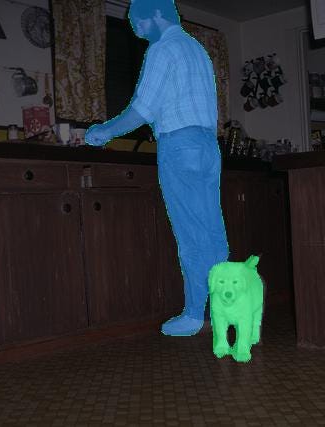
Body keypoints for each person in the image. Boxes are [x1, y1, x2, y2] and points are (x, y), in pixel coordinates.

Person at [85, 0, 229, 336]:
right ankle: (223, 306)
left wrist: (103, 132)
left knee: (191, 235)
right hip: (208, 145)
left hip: (179, 146)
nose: (134, 27)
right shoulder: (197, 49)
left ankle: (194, 315)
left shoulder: (163, 50)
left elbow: (142, 110)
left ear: (156, 16)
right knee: (212, 230)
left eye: (136, 20)